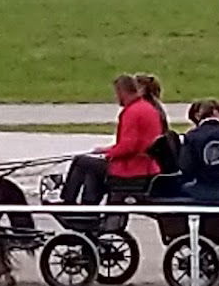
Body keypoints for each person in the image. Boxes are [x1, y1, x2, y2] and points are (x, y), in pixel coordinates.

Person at [60, 74, 164, 204]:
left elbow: (129, 147)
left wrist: (108, 154)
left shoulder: (132, 112)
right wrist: (104, 150)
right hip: (146, 165)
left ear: (121, 91)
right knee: (93, 167)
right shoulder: (148, 108)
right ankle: (89, 203)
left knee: (81, 161)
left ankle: (68, 201)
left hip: (132, 168)